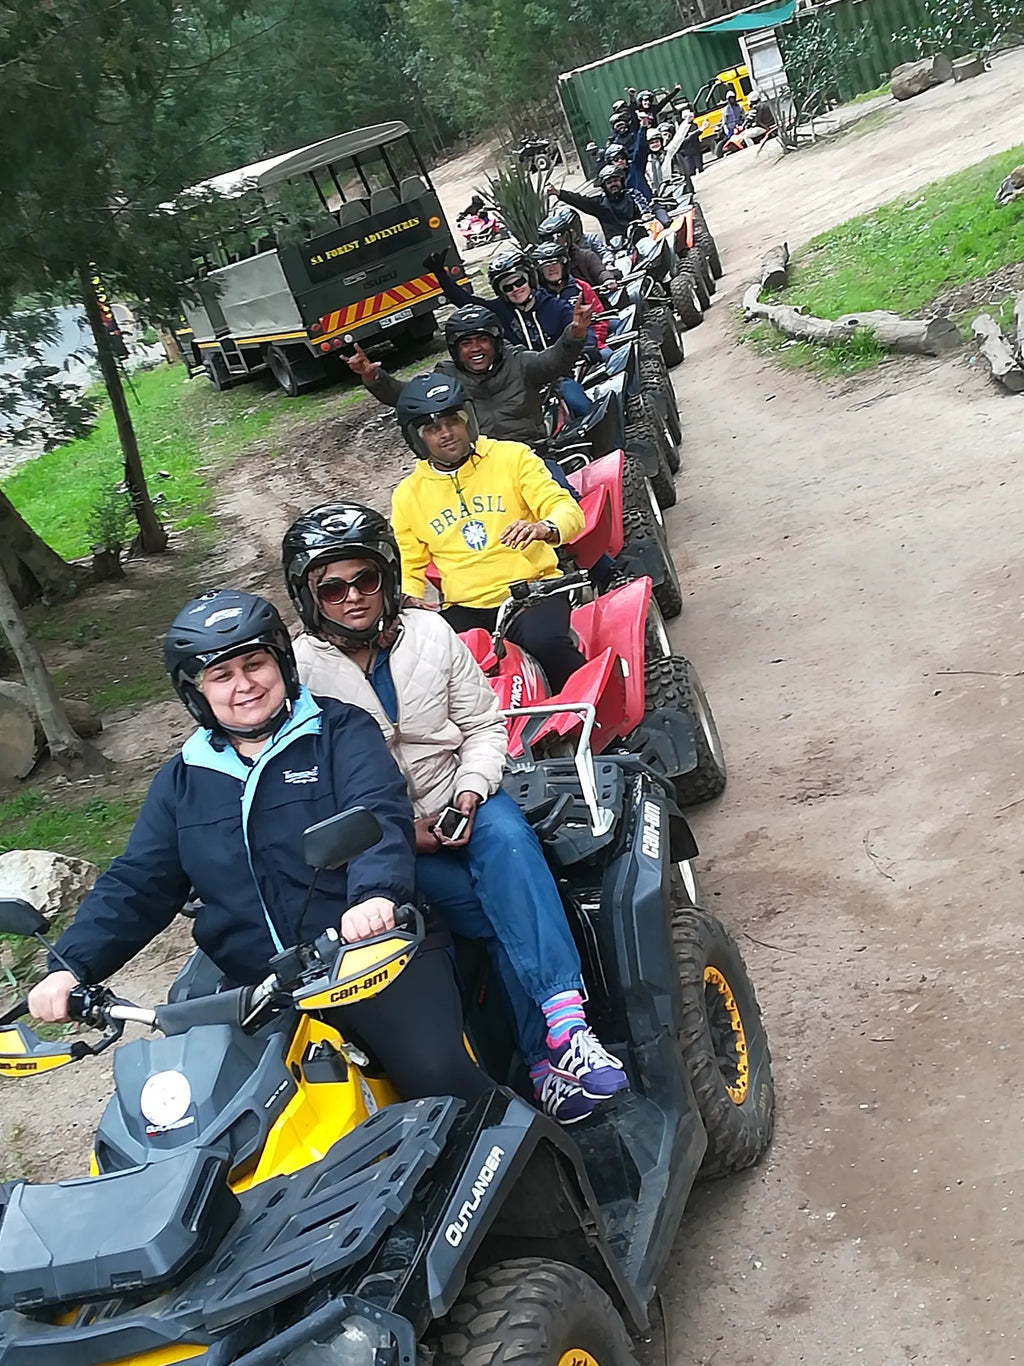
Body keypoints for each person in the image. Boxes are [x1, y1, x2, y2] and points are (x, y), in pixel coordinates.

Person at [27, 590, 493, 1107]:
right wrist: (71, 965)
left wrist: (374, 897)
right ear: (196, 691)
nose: (244, 685)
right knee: (208, 1115)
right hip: (258, 988)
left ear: (282, 665)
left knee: (438, 1077)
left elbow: (378, 813)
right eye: (221, 675)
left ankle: (521, 1145)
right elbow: (139, 881)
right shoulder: (182, 781)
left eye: (255, 664)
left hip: (370, 959)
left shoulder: (340, 731)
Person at [282, 504, 629, 1123]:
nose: (352, 597)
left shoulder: (431, 634)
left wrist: (470, 791)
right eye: (332, 588)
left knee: (511, 844)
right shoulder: (299, 676)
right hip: (388, 836)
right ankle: (547, 1064)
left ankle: (567, 1028)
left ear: (388, 578)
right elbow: (320, 784)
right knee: (488, 910)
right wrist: (399, 834)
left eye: (365, 579)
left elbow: (484, 727)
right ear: (308, 596)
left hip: (464, 795)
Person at [391, 373, 587, 691]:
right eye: (433, 428)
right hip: (463, 608)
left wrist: (544, 528)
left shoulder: (512, 457)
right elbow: (407, 561)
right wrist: (408, 597)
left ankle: (597, 717)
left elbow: (567, 509)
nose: (446, 433)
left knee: (547, 644)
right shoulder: (407, 495)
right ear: (417, 438)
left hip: (532, 592)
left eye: (453, 421)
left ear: (468, 419)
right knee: (431, 678)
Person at [345, 299, 590, 449]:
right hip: (477, 466)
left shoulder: (519, 361)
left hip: (531, 455)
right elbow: (407, 396)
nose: (475, 349)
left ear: (495, 342)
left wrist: (575, 333)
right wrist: (373, 377)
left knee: (565, 500)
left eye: (482, 340)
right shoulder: (446, 377)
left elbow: (553, 361)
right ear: (455, 349)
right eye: (466, 343)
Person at [549, 164, 644, 243]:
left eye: (616, 181)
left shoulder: (633, 195)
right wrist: (559, 193)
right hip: (617, 246)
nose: (613, 184)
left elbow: (644, 208)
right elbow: (580, 200)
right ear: (604, 186)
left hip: (640, 239)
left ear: (621, 181)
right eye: (609, 182)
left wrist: (645, 216)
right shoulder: (600, 204)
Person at [537, 206, 615, 289]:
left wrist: (608, 279)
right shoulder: (538, 265)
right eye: (548, 239)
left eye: (559, 236)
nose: (554, 241)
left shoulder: (586, 256)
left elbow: (600, 272)